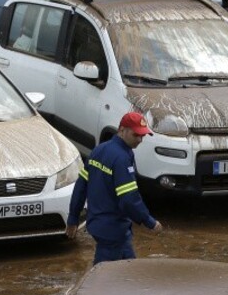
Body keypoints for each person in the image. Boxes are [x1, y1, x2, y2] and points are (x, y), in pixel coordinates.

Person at [66, 111, 163, 264]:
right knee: (104, 278)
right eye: (136, 135)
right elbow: (129, 198)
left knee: (128, 270)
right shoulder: (121, 158)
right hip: (112, 230)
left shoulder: (99, 150)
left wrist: (73, 218)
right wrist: (149, 221)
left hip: (101, 224)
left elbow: (81, 187)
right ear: (122, 130)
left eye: (142, 136)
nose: (140, 140)